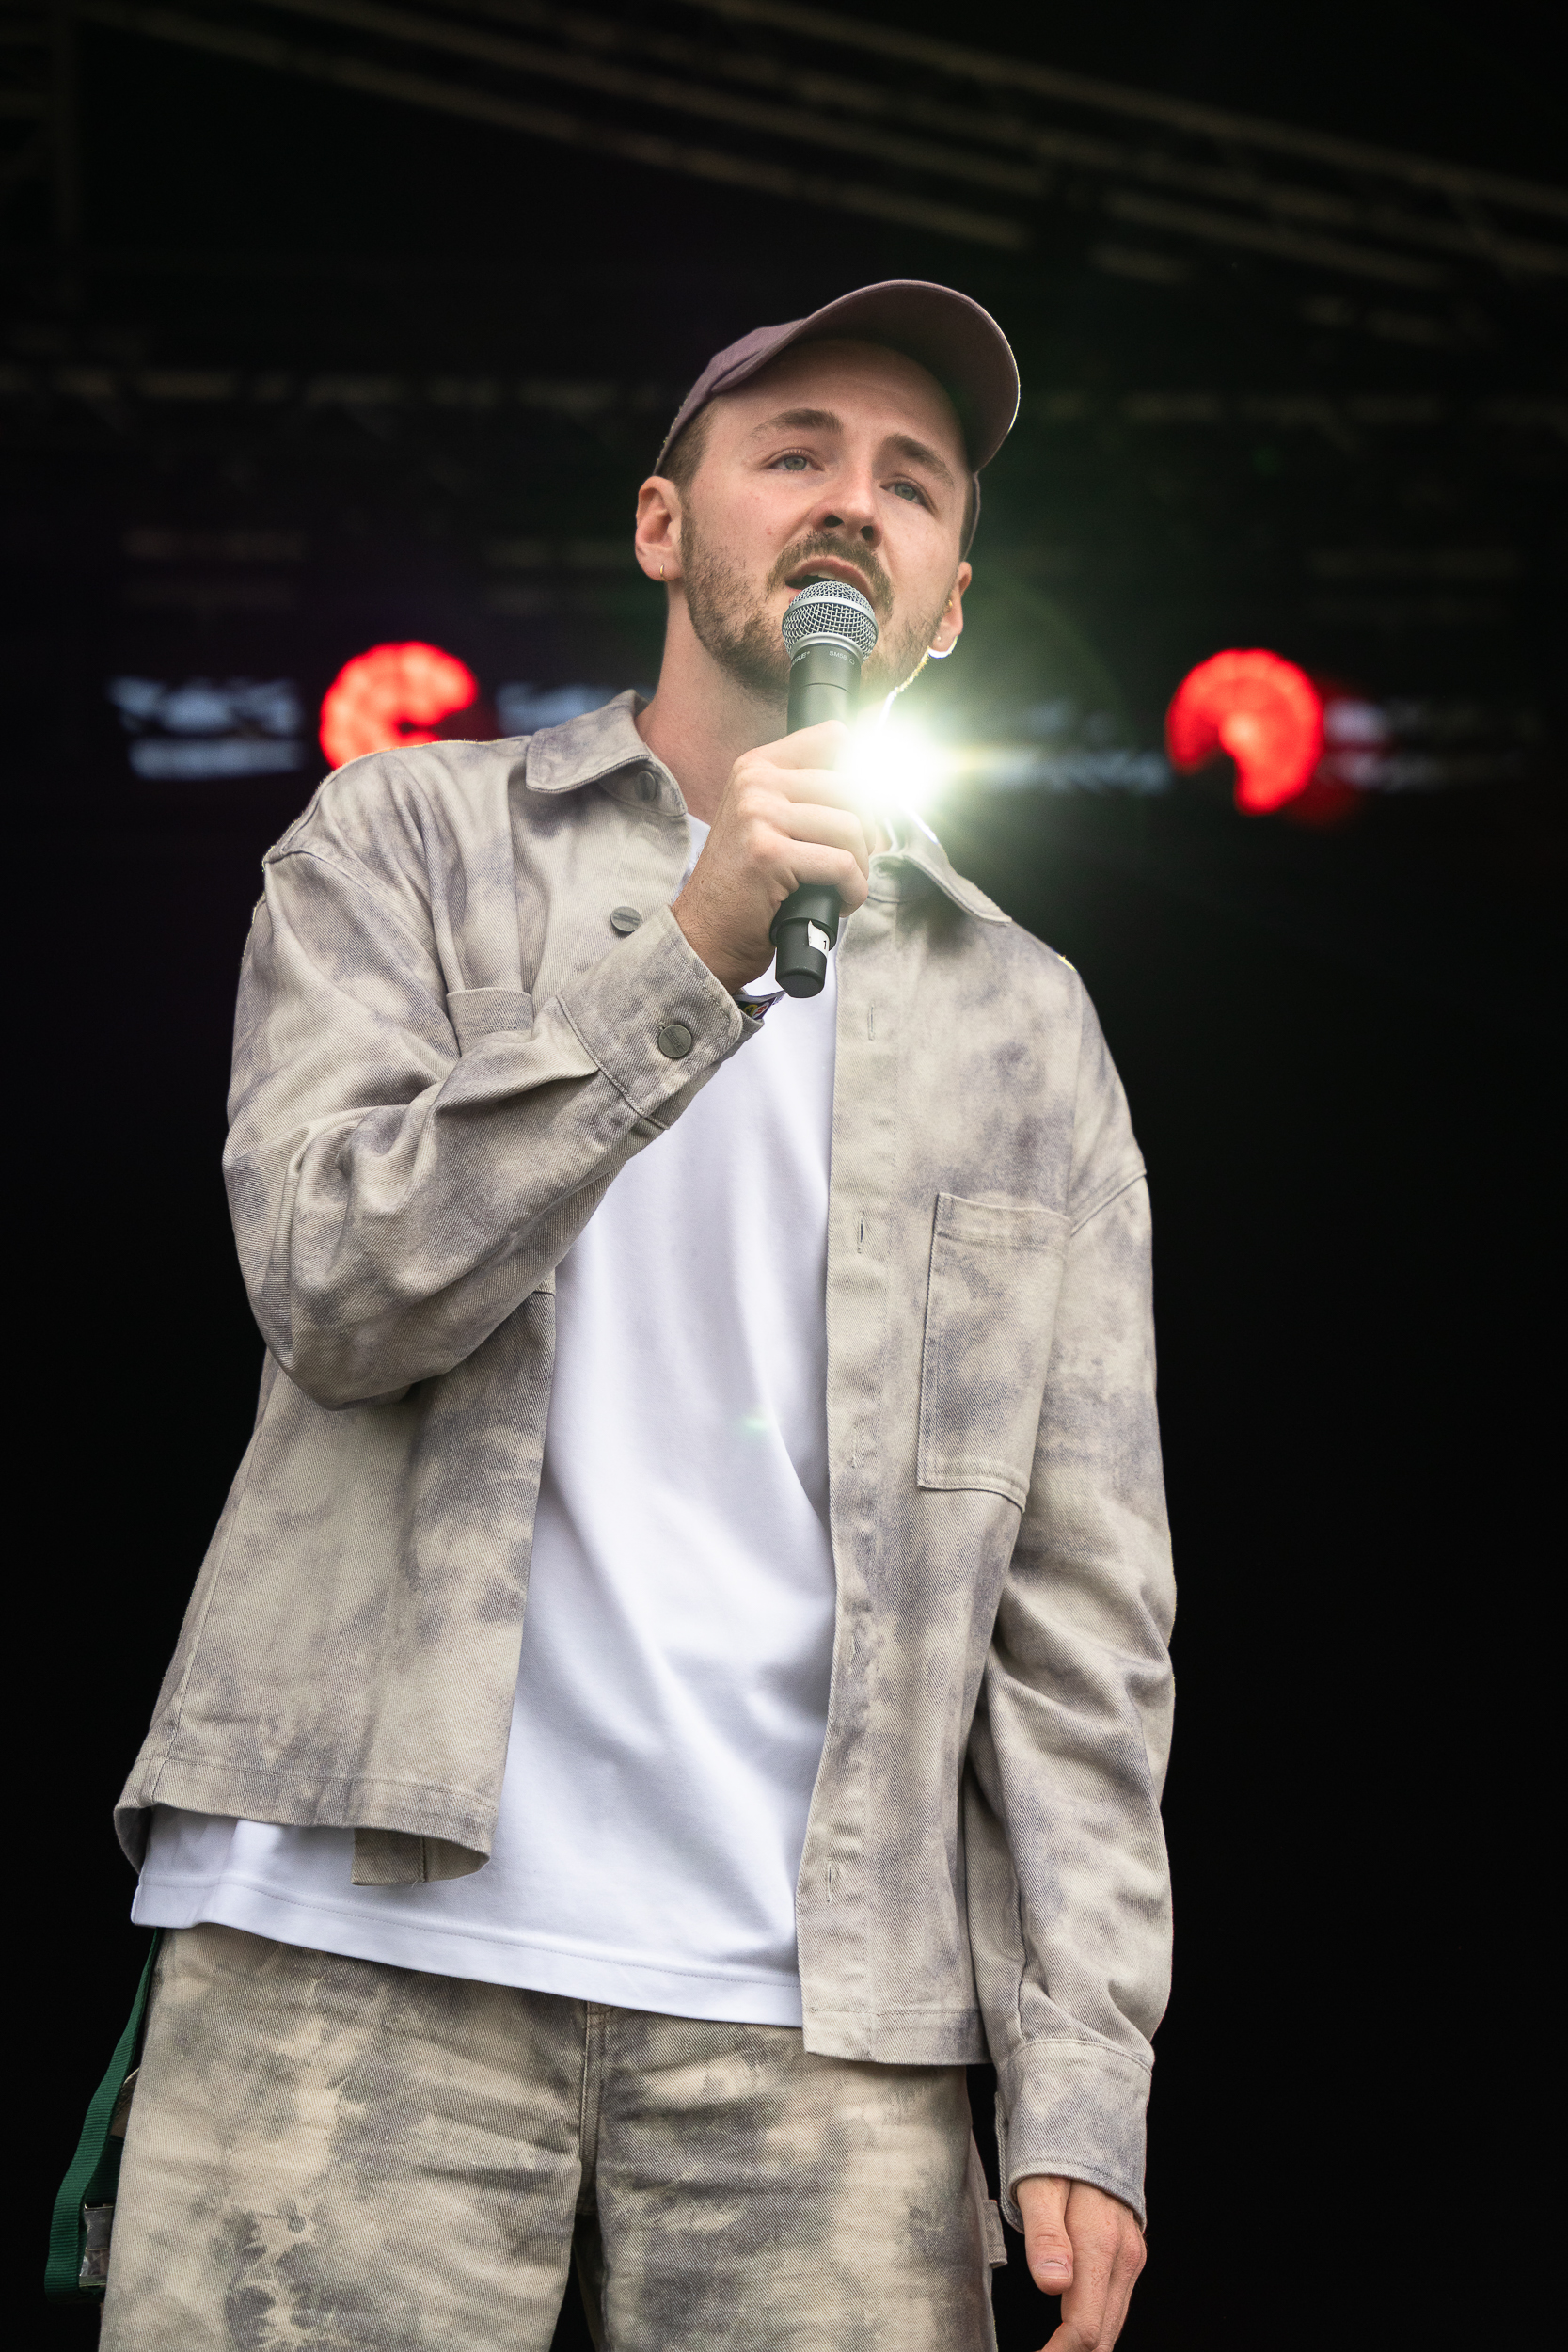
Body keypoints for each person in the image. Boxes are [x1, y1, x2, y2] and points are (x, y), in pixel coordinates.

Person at [103, 280, 1174, 2352]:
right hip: (349, 1938)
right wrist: (695, 942)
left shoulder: (1027, 1023)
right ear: (663, 525)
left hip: (828, 2015)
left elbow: (1084, 1605)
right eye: (796, 453)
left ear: (950, 604)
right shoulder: (405, 840)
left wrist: (1082, 2066)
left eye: (913, 483)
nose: (853, 503)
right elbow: (336, 1289)